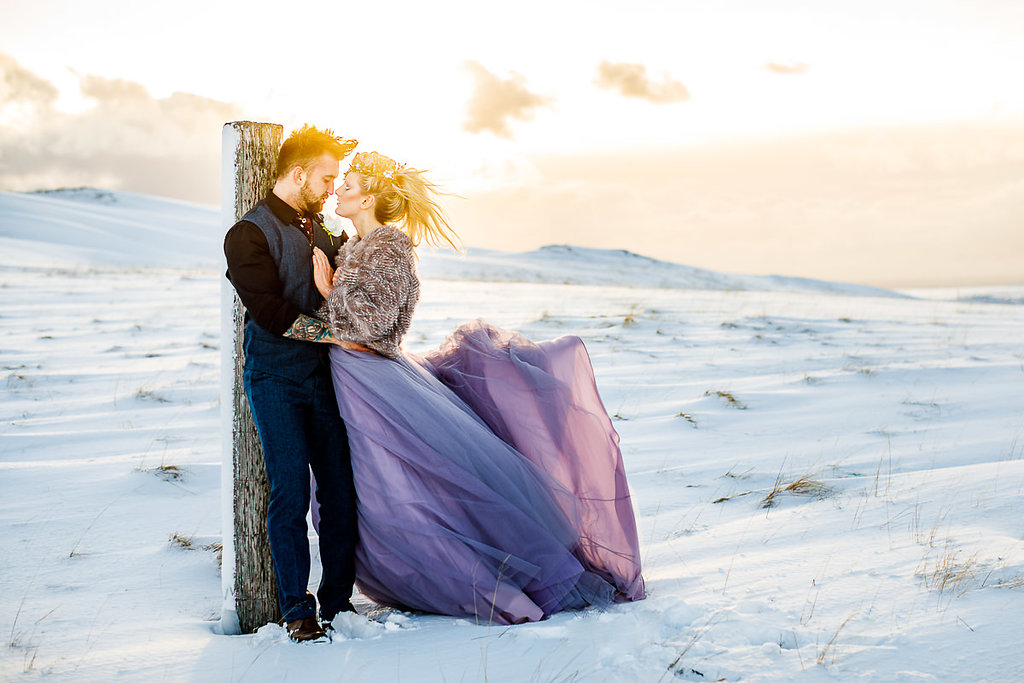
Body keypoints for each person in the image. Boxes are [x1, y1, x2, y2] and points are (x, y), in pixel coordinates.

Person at [309, 151, 645, 625]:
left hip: (369, 379)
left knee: (405, 487)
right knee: (380, 488)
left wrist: (326, 292)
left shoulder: (386, 247)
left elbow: (377, 329)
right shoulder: (361, 246)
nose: (339, 189)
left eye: (349, 183)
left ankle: (456, 574)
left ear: (370, 197)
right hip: (355, 378)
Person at [223, 124, 360, 642]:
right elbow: (268, 310)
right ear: (298, 173)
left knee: (341, 492)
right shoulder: (247, 234)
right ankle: (297, 609)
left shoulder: (320, 228)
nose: (330, 189)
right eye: (326, 178)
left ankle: (338, 602)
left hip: (327, 378)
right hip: (275, 376)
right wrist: (340, 334)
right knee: (289, 492)